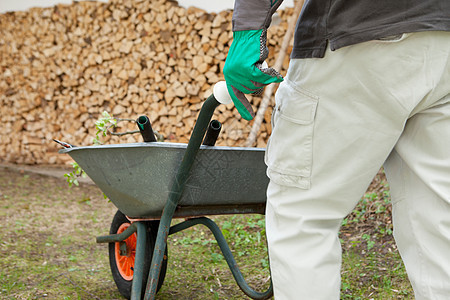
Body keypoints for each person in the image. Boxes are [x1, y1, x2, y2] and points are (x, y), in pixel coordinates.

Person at [223, 0, 450, 298]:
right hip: (442, 37)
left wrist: (249, 28)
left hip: (352, 30)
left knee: (304, 217)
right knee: (437, 225)